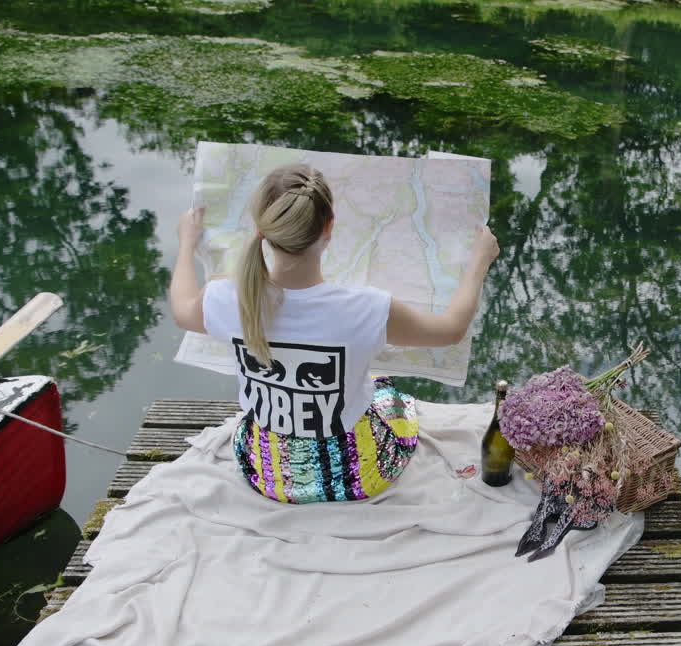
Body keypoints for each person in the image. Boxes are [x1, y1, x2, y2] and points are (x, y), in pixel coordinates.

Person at [169, 163, 499, 503]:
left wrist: (186, 245)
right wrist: (478, 264)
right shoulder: (366, 309)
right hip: (356, 474)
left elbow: (182, 311)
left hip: (267, 472)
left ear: (261, 229)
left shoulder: (225, 297)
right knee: (385, 387)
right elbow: (450, 329)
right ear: (329, 227)